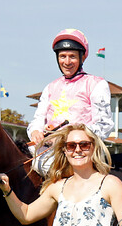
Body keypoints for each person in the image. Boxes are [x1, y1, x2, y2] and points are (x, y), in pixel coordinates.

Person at [27, 29, 115, 175]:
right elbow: (38, 119)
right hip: (48, 153)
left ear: (82, 58)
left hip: (83, 153)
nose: (67, 62)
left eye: (72, 57)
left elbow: (104, 125)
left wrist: (69, 139)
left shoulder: (97, 84)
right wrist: (36, 132)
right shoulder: (50, 87)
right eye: (62, 56)